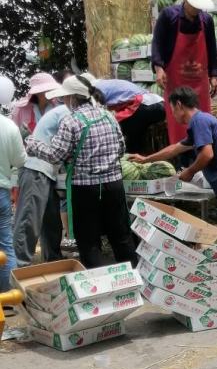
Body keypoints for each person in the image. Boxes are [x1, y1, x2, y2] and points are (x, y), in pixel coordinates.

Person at [26, 73, 137, 269]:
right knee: (120, 235)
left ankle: (99, 283)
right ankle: (133, 278)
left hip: (85, 190)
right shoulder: (108, 116)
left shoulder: (71, 121)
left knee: (89, 241)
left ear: (73, 97)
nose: (63, 101)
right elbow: (121, 149)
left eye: (64, 97)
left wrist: (33, 144)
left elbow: (55, 155)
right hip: (114, 185)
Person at [130, 87, 217, 219]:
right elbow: (174, 149)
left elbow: (207, 154)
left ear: (179, 105)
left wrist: (190, 171)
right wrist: (145, 159)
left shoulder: (198, 121)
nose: (172, 114)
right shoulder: (201, 121)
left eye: (172, 110)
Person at [150, 0, 217, 145]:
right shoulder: (169, 16)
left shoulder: (206, 21)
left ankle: (203, 162)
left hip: (199, 84)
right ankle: (182, 165)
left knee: (202, 124)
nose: (197, 8)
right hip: (176, 82)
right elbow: (157, 43)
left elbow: (211, 48)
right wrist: (159, 69)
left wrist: (213, 75)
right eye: (194, 4)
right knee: (179, 123)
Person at [13, 92, 68, 266]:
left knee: (52, 220)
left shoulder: (60, 110)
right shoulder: (68, 113)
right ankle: (18, 265)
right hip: (35, 169)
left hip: (48, 170)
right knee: (29, 219)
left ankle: (53, 258)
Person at [94, 77, 165, 155]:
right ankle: (136, 153)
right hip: (157, 102)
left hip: (148, 104)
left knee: (122, 127)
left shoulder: (96, 90)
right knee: (131, 129)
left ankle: (131, 155)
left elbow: (98, 113)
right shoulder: (106, 83)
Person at [0, 75, 25, 293]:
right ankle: (7, 296)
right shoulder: (9, 127)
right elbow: (20, 161)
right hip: (2, 192)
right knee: (5, 242)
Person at [10, 72, 58, 138]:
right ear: (37, 93)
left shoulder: (57, 107)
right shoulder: (20, 109)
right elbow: (11, 134)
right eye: (48, 91)